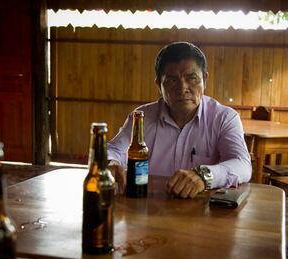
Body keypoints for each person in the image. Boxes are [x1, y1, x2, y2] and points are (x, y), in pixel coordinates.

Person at [108, 41, 252, 198]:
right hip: (149, 208)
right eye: (171, 80)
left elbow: (242, 164)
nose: (183, 88)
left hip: (204, 214)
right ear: (158, 84)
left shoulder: (224, 118)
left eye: (192, 78)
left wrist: (204, 175)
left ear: (205, 79)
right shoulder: (142, 117)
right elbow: (113, 151)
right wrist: (111, 164)